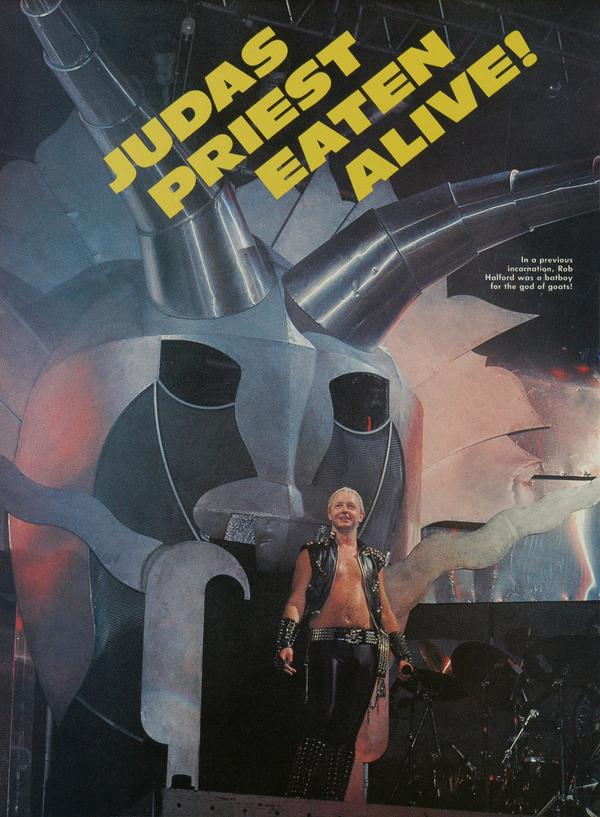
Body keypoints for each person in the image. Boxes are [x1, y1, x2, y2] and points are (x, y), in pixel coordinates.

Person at [274, 487, 413, 801]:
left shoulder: (373, 559)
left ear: (361, 515)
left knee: (348, 728)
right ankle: (297, 798)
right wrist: (286, 641)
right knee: (320, 719)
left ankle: (333, 802)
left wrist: (402, 654)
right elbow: (296, 599)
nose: (345, 510)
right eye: (338, 505)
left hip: (366, 649)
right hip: (327, 645)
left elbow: (385, 610)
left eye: (351, 506)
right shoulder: (313, 553)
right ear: (330, 514)